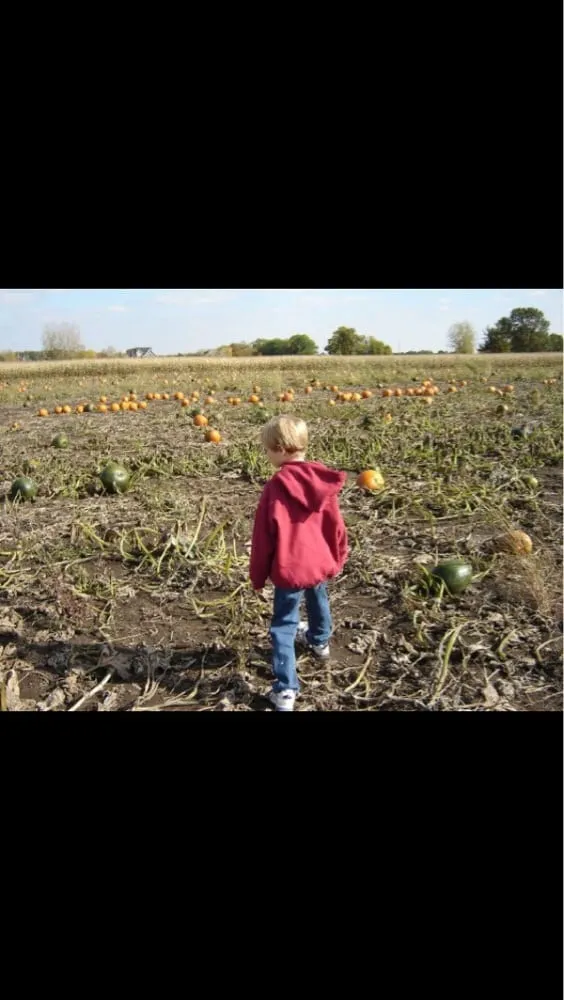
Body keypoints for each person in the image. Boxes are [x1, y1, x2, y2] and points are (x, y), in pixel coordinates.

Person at [250, 415, 348, 711]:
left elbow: (264, 537)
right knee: (319, 599)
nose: (266, 455)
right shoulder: (322, 481)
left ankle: (285, 690)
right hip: (318, 562)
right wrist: (337, 553)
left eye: (267, 449)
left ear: (280, 449)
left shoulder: (275, 488)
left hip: (289, 568)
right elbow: (336, 526)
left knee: (283, 625)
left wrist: (257, 575)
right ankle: (319, 642)